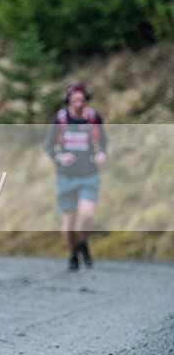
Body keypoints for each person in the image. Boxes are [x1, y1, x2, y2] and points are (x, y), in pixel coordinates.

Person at [43, 82, 107, 270]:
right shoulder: (59, 119)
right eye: (74, 99)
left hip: (89, 173)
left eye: (81, 99)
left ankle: (83, 242)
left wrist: (102, 153)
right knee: (68, 222)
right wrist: (60, 158)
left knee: (87, 213)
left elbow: (103, 142)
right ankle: (72, 254)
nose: (78, 103)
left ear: (86, 99)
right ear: (68, 100)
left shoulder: (93, 118)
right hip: (66, 176)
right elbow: (48, 146)